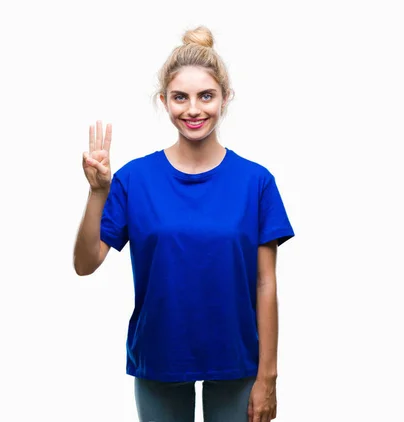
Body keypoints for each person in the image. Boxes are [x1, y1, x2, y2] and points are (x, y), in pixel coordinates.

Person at [73, 26, 294, 422]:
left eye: (206, 96)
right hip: (160, 356)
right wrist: (97, 193)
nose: (193, 110)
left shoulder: (256, 182)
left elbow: (266, 283)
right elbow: (86, 263)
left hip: (237, 359)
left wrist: (269, 376)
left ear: (225, 98)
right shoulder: (134, 179)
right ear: (165, 101)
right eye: (180, 97)